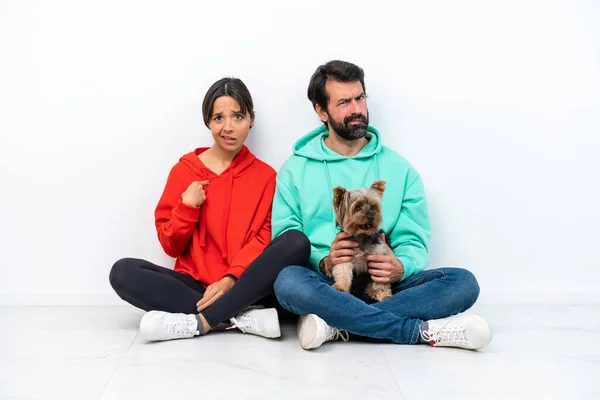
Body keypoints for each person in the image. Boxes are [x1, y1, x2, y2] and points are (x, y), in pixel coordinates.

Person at [272, 60, 492, 350]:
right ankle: (418, 331)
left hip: (386, 288)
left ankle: (337, 325)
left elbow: (414, 241)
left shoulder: (400, 169)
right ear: (321, 111)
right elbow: (284, 241)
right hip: (328, 285)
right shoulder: (294, 170)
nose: (356, 109)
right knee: (287, 282)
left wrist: (400, 266)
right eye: (343, 102)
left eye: (360, 98)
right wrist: (324, 261)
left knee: (463, 283)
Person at [109, 77, 309, 342]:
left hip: (244, 283)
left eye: (238, 116)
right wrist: (186, 208)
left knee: (296, 242)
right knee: (122, 272)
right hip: (195, 286)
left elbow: (264, 237)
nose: (228, 127)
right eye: (218, 118)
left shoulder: (266, 176)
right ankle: (240, 318)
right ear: (208, 122)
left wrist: (230, 279)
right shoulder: (185, 172)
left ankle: (202, 321)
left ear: (251, 119)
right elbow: (171, 246)